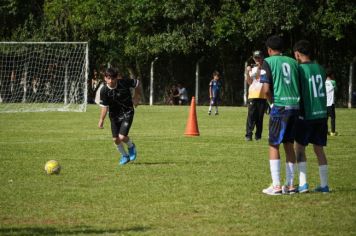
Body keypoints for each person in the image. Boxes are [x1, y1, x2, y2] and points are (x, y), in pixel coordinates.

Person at [260, 35, 300, 195]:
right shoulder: (293, 62)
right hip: (295, 107)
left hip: (280, 106)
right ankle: (290, 185)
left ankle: (276, 186)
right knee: (289, 144)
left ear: (269, 50)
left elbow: (266, 89)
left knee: (274, 144)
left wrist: (272, 104)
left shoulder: (268, 62)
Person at [293, 40, 330, 193]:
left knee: (299, 149)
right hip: (321, 113)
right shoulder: (321, 68)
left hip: (306, 114)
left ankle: (303, 184)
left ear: (297, 54)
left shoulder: (300, 69)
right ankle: (324, 185)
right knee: (319, 149)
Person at [98, 67, 141, 165]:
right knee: (115, 139)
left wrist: (136, 97)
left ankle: (131, 146)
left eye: (113, 78)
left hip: (127, 112)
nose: (111, 81)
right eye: (108, 78)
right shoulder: (104, 91)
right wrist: (101, 120)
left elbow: (137, 83)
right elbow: (105, 107)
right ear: (105, 78)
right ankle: (125, 156)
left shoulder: (124, 82)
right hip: (114, 115)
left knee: (121, 136)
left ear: (116, 78)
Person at [244, 51, 268, 140]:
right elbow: (250, 82)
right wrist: (247, 72)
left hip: (263, 96)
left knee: (260, 117)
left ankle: (258, 136)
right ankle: (248, 135)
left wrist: (259, 67)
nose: (257, 59)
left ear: (262, 58)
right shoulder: (252, 69)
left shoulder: (266, 68)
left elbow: (260, 76)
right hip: (253, 95)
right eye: (255, 58)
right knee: (251, 116)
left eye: (259, 57)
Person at [325, 69, 337, 136]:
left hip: (324, 103)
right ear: (331, 75)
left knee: (325, 119)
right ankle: (332, 132)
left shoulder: (324, 82)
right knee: (332, 118)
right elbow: (336, 89)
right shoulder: (333, 82)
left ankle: (325, 131)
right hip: (331, 103)